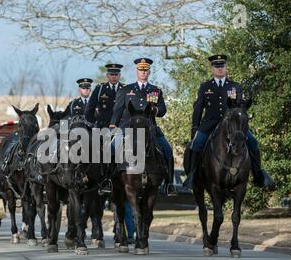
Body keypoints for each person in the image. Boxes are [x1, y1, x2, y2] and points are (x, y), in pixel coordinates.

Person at [183, 54, 274, 189]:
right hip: (210, 123)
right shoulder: (205, 86)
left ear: (226, 68)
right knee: (195, 145)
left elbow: (240, 107)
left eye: (222, 66)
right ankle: (193, 177)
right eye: (217, 66)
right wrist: (195, 128)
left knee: (253, 142)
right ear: (212, 68)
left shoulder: (234, 86)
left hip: (233, 125)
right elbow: (198, 108)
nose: (220, 69)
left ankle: (258, 175)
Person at [110, 57, 175, 194]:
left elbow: (163, 110)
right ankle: (107, 181)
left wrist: (155, 110)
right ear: (136, 71)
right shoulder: (125, 90)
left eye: (146, 70)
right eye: (141, 70)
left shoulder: (156, 90)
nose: (143, 72)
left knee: (168, 151)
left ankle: (169, 183)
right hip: (127, 128)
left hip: (150, 128)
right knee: (111, 150)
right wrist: (112, 127)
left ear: (149, 72)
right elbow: (117, 111)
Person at [85, 64, 124, 128]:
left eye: (116, 74)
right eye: (111, 74)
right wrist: (94, 123)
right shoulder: (100, 89)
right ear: (107, 75)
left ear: (119, 75)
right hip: (102, 127)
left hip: (120, 127)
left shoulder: (124, 89)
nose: (114, 77)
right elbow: (90, 109)